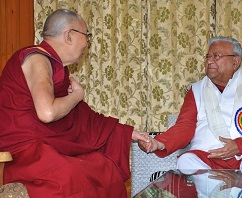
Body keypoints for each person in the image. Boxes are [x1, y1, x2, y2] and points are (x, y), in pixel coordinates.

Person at [0, 9, 151, 198]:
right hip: (25, 154)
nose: (87, 43)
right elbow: (47, 113)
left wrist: (129, 133)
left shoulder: (58, 69)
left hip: (46, 149)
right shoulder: (37, 58)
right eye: (86, 35)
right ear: (69, 35)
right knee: (72, 176)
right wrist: (77, 95)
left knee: (103, 167)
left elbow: (82, 119)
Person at [139, 36, 242, 173]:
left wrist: (239, 145)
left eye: (216, 56)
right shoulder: (196, 90)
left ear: (235, 62)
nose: (209, 61)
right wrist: (158, 143)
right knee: (186, 161)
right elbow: (184, 127)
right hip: (207, 158)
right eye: (208, 57)